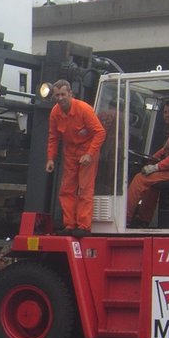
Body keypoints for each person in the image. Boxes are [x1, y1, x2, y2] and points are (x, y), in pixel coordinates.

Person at [45, 80, 105, 235]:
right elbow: (53, 137)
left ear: (70, 93)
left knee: (84, 188)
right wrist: (51, 158)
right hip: (70, 152)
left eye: (63, 94)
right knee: (66, 189)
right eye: (57, 95)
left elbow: (100, 132)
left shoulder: (83, 109)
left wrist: (90, 154)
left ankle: (84, 226)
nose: (60, 98)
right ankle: (70, 224)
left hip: (87, 149)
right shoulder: (55, 112)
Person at [126, 98, 169, 227]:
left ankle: (125, 218)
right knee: (151, 184)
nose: (166, 115)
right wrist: (150, 160)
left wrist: (155, 167)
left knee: (140, 179)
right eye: (165, 112)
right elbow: (163, 150)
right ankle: (143, 220)